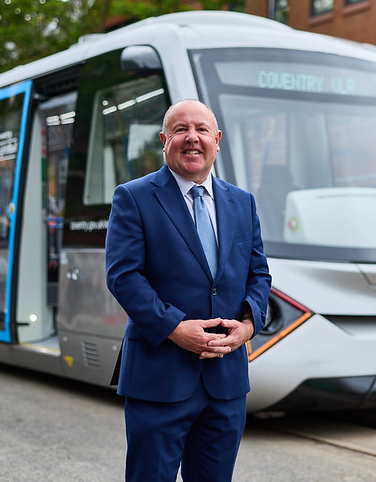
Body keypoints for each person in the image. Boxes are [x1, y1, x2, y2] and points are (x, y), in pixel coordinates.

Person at [105, 99, 272, 482]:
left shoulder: (242, 202)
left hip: (226, 381)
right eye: (180, 130)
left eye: (201, 130)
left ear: (217, 141)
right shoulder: (133, 197)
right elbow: (123, 276)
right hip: (159, 376)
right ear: (164, 140)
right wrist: (176, 329)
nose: (191, 138)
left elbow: (259, 274)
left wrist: (247, 326)